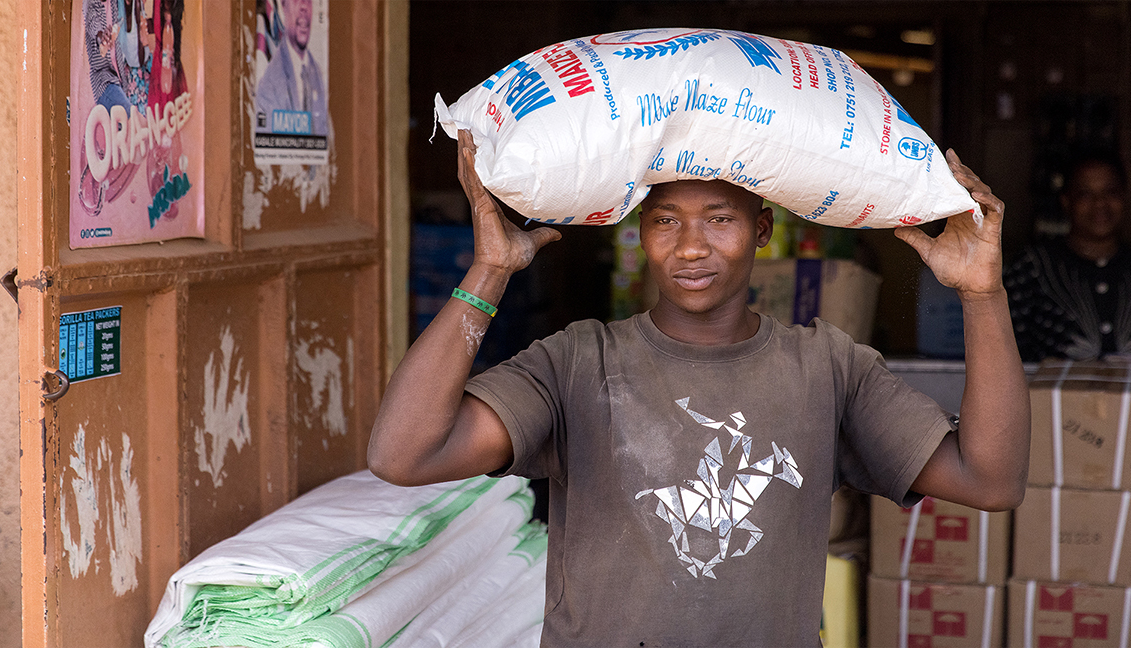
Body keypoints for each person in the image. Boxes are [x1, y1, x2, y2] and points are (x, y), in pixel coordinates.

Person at [369, 130, 1030, 646]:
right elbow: (404, 454)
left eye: (720, 219)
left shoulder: (828, 368)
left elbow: (990, 480)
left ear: (763, 230)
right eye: (665, 221)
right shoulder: (577, 362)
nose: (690, 247)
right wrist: (488, 272)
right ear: (639, 232)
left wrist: (983, 295)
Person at [1005, 150, 1130, 362]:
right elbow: (1004, 348)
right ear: (1066, 201)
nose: (1100, 204)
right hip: (1043, 394)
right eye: (1085, 194)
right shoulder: (1031, 267)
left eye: (1111, 192)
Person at [253, 0, 328, 137]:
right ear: (283, 6)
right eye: (296, 0)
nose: (304, 7)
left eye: (308, 1)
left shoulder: (319, 76)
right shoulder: (269, 85)